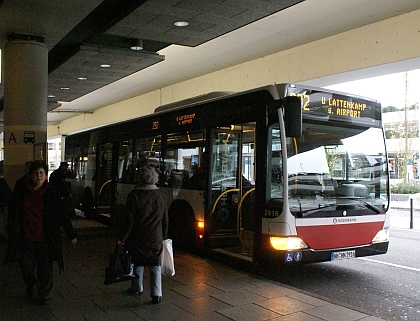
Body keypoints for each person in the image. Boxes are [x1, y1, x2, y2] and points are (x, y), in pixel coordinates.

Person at [4, 161, 77, 305]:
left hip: (45, 238)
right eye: (36, 173)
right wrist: (11, 228)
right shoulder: (23, 191)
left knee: (45, 267)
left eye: (41, 173)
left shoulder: (52, 193)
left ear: (46, 175)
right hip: (26, 236)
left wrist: (71, 233)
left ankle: (44, 293)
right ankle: (31, 283)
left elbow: (61, 215)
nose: (39, 176)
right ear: (31, 176)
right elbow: (13, 211)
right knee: (26, 266)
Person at [118, 165, 168, 304]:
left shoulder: (134, 196)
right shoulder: (161, 196)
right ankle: (156, 294)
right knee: (155, 265)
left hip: (137, 237)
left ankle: (137, 287)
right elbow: (165, 220)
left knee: (137, 263)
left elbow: (129, 221)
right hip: (155, 238)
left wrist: (122, 238)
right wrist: (164, 237)